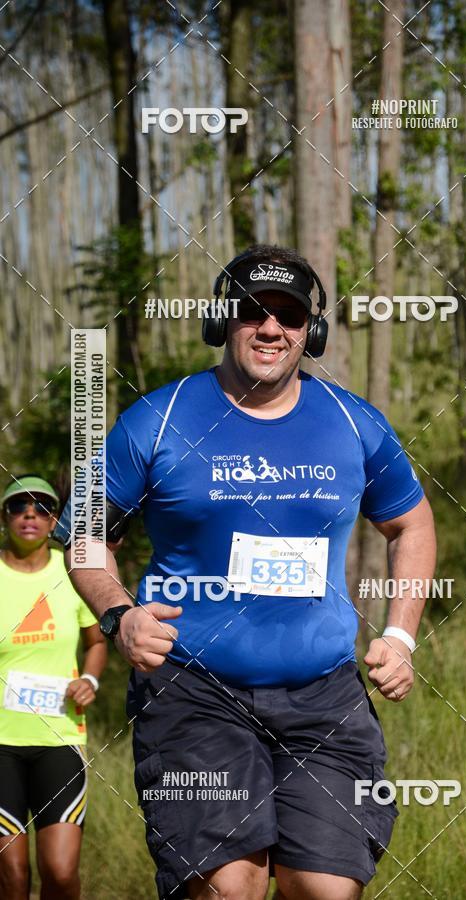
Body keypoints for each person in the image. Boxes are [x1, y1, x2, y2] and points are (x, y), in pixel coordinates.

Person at [60, 244, 436, 900]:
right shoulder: (157, 419)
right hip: (194, 691)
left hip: (325, 695)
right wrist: (119, 615)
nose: (270, 328)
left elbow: (413, 524)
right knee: (230, 886)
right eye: (253, 310)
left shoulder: (353, 422)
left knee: (327, 888)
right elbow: (85, 534)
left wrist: (401, 636)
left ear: (311, 331)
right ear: (221, 320)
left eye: (289, 315)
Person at [0, 475, 107, 900]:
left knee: (60, 873)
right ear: (4, 517)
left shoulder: (73, 571)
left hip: (60, 739)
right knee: (12, 875)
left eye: (42, 507)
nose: (30, 515)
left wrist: (89, 679)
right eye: (19, 506)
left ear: (54, 519)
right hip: (1, 744)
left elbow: (97, 642)